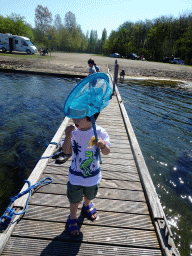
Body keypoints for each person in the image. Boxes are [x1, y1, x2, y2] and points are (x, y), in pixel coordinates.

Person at [62, 112, 111, 236]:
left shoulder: (99, 132)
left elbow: (107, 152)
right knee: (74, 200)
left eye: (78, 116)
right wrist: (67, 136)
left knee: (89, 194)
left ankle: (87, 205)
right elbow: (66, 151)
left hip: (92, 176)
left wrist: (103, 145)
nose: (73, 119)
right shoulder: (73, 132)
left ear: (90, 117)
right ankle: (72, 217)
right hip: (75, 175)